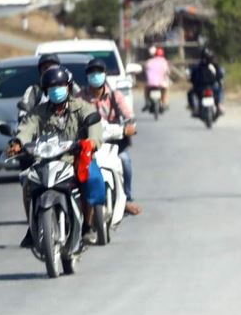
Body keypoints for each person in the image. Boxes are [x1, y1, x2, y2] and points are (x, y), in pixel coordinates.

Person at [8, 66, 106, 248]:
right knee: (27, 182)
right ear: (46, 90)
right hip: (45, 161)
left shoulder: (82, 107)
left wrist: (91, 142)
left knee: (89, 180)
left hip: (74, 159)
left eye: (60, 85)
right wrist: (17, 143)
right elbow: (26, 129)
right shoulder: (38, 112)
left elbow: (94, 124)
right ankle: (32, 227)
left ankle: (87, 226)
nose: (56, 89)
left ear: (68, 87)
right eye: (51, 86)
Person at [81, 58, 141, 216]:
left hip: (113, 142)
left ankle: (127, 198)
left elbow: (129, 115)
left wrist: (129, 126)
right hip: (89, 142)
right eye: (92, 72)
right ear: (87, 76)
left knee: (125, 161)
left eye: (98, 72)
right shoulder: (80, 97)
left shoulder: (115, 96)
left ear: (104, 74)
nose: (95, 75)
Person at [16, 53, 62, 120]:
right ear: (40, 71)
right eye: (45, 68)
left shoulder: (68, 87)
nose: (49, 70)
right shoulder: (34, 90)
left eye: (53, 67)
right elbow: (23, 112)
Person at [188, 48, 226, 116]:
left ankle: (194, 108)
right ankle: (219, 107)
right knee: (220, 90)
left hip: (200, 88)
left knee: (190, 93)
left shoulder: (197, 66)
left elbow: (192, 77)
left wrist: (193, 82)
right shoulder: (214, 65)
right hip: (211, 87)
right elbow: (219, 75)